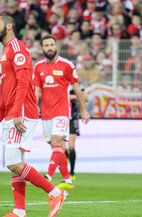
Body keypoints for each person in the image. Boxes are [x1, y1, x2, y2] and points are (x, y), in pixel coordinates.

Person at [0, 14, 67, 217]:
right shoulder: (5, 51)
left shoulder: (17, 48)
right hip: (11, 112)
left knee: (12, 161)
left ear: (9, 25)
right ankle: (20, 210)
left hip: (20, 112)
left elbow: (22, 82)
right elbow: (6, 89)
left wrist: (16, 112)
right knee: (15, 163)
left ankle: (55, 192)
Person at [34, 34, 90, 190]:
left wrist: (84, 110)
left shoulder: (67, 65)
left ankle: (48, 176)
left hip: (62, 111)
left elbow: (77, 88)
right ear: (42, 48)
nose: (49, 48)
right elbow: (36, 89)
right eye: (46, 45)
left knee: (56, 140)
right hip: (45, 113)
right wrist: (33, 107)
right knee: (55, 146)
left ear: (56, 46)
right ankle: (67, 179)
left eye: (52, 44)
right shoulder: (38, 67)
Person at [65, 84, 89, 180]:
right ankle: (65, 171)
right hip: (60, 115)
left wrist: (74, 96)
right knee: (60, 146)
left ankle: (72, 172)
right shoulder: (59, 79)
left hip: (73, 116)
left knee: (71, 146)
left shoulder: (76, 83)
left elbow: (86, 98)